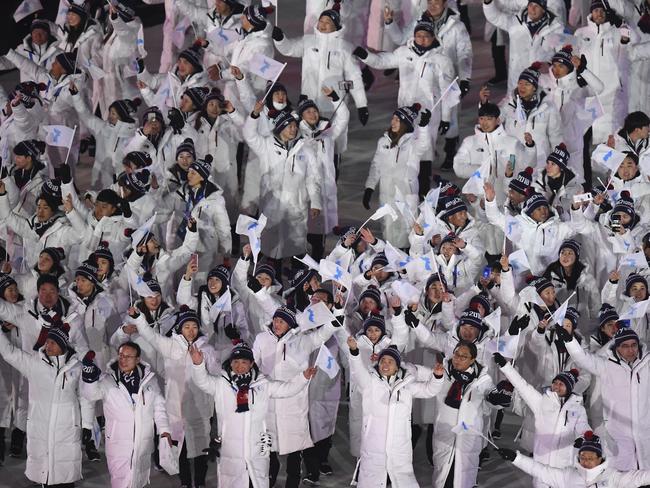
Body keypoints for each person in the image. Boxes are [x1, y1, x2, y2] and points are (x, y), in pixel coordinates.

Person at [189, 341, 317, 487]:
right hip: (231, 450)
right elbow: (202, 381)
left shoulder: (262, 385)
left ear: (251, 364)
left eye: (244, 362)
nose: (239, 366)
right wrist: (198, 365)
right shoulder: (221, 384)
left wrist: (303, 378)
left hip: (256, 450)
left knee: (255, 483)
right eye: (235, 362)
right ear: (230, 363)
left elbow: (286, 389)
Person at [0, 322, 92, 487]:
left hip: (67, 429)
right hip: (41, 426)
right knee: (44, 472)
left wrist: (87, 425)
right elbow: (9, 352)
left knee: (65, 475)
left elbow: (85, 396)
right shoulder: (34, 363)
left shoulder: (76, 366)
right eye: (47, 341)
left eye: (53, 342)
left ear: (63, 345)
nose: (48, 345)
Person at [347, 337, 445, 487]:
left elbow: (429, 390)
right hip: (374, 446)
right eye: (382, 361)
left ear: (397, 367)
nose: (385, 364)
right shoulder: (369, 383)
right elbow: (357, 370)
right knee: (373, 480)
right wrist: (354, 351)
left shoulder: (406, 386)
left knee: (400, 480)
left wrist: (437, 377)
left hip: (399, 446)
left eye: (390, 361)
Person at [555, 324, 650, 471]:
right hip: (618, 434)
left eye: (633, 345)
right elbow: (583, 359)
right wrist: (570, 341)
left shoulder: (647, 364)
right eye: (625, 346)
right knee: (622, 476)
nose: (631, 350)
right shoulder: (606, 366)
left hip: (645, 433)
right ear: (617, 347)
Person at [81, 341, 172, 488]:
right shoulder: (108, 380)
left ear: (137, 359)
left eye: (128, 357)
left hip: (142, 442)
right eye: (121, 355)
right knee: (120, 482)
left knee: (138, 481)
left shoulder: (149, 381)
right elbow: (90, 395)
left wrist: (164, 430)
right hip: (118, 443)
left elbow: (159, 407)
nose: (123, 360)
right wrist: (89, 378)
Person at [493, 352, 590, 483]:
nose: (556, 386)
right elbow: (522, 385)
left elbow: (583, 427)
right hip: (541, 464)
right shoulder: (541, 402)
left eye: (561, 384)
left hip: (565, 466)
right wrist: (505, 366)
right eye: (555, 383)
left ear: (570, 387)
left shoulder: (578, 409)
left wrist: (583, 438)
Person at [363, 104, 432, 247]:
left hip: (406, 196)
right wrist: (369, 187)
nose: (393, 122)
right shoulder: (383, 142)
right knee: (389, 232)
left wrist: (424, 127)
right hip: (387, 195)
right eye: (393, 118)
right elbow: (376, 165)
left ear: (405, 124)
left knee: (408, 232)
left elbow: (424, 145)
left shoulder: (413, 143)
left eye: (398, 120)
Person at [497, 430, 650, 487]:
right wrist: (516, 458)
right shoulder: (568, 475)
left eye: (590, 457)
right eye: (583, 457)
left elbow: (640, 477)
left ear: (600, 459)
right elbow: (540, 470)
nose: (586, 461)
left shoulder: (613, 477)